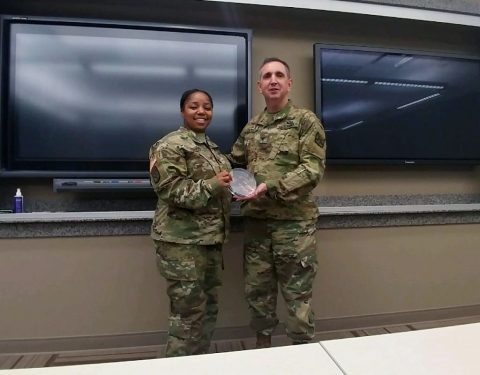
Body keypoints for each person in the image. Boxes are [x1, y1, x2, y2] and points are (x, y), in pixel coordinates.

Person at [228, 57, 326, 348]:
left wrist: (269, 187)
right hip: (257, 226)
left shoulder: (305, 122)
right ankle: (263, 356)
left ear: (289, 83)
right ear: (259, 86)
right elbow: (233, 164)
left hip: (294, 227)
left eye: (279, 75)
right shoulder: (251, 128)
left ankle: (304, 357)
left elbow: (312, 169)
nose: (273, 80)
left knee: (297, 298)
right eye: (267, 76)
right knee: (258, 296)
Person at [149, 89, 232, 357]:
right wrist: (213, 184)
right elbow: (170, 190)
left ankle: (197, 366)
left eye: (207, 106)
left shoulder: (212, 149)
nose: (201, 111)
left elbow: (220, 190)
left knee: (207, 312)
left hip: (209, 242)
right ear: (182, 111)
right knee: (187, 318)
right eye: (194, 106)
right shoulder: (169, 145)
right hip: (182, 245)